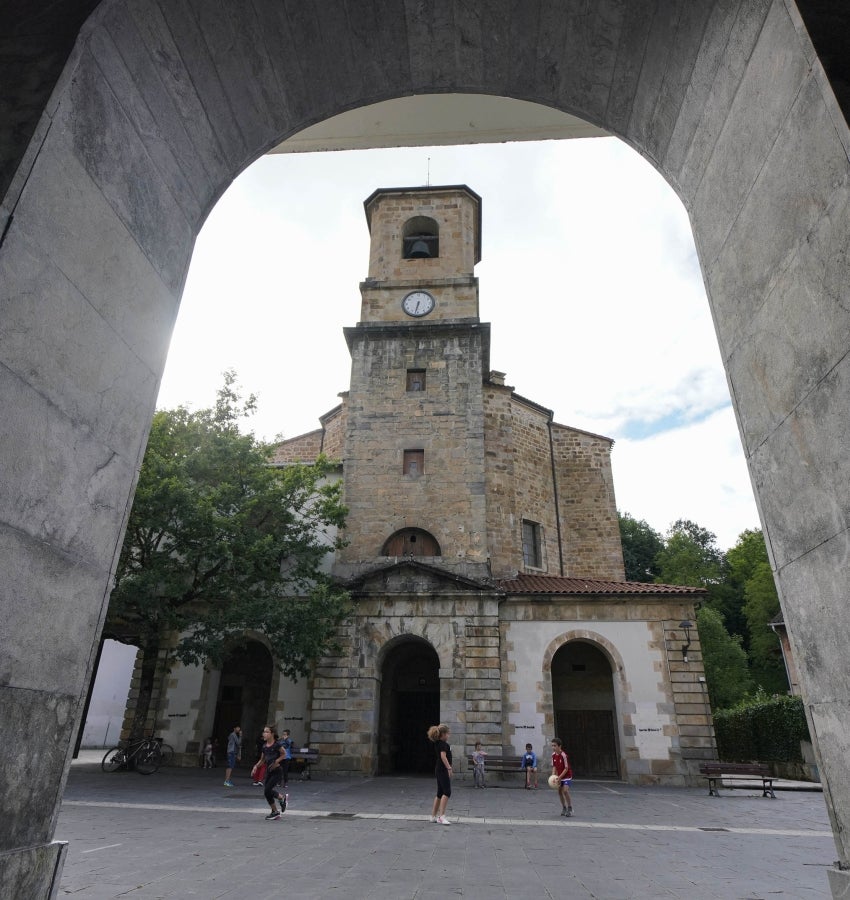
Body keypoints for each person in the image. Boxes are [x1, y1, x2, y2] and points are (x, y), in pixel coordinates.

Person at [253, 726, 288, 820]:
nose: (264, 734)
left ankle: (281, 798)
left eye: (266, 732)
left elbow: (284, 754)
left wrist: (276, 761)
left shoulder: (277, 745)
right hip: (269, 771)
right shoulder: (264, 746)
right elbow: (262, 760)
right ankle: (275, 812)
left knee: (267, 790)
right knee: (267, 793)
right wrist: (255, 766)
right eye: (264, 732)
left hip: (277, 771)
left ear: (272, 734)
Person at [427, 724, 453, 825]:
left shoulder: (438, 743)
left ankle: (433, 816)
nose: (449, 735)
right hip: (442, 770)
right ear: (443, 734)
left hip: (439, 769)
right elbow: (443, 756)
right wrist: (449, 768)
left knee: (439, 793)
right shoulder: (443, 744)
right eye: (448, 734)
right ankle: (442, 816)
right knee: (447, 792)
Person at [551, 737, 574, 817]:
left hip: (566, 776)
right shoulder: (553, 755)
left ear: (559, 746)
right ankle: (564, 808)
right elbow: (554, 766)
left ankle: (570, 808)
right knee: (559, 792)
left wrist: (560, 777)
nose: (553, 747)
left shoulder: (564, 755)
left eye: (555, 746)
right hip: (558, 776)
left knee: (565, 791)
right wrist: (553, 776)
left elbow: (566, 768)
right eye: (552, 746)